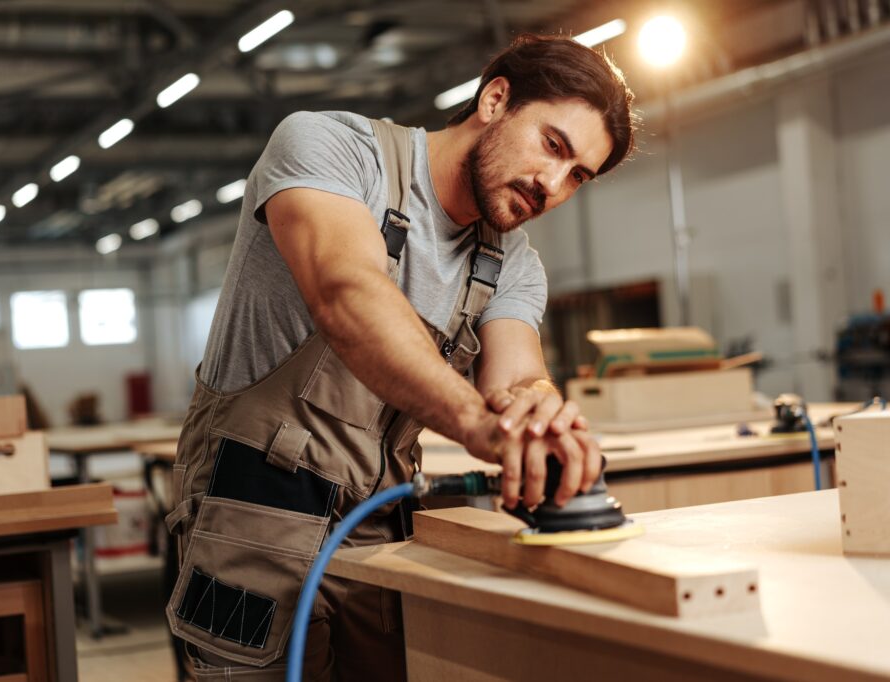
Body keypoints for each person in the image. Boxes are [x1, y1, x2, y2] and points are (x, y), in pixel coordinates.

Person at [165, 33, 636, 681]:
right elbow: (347, 293)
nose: (552, 185)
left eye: (577, 175)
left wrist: (542, 418)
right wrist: (476, 423)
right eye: (553, 145)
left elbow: (519, 376)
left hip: (380, 526)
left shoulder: (512, 262)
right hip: (253, 514)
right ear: (495, 100)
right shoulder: (331, 148)